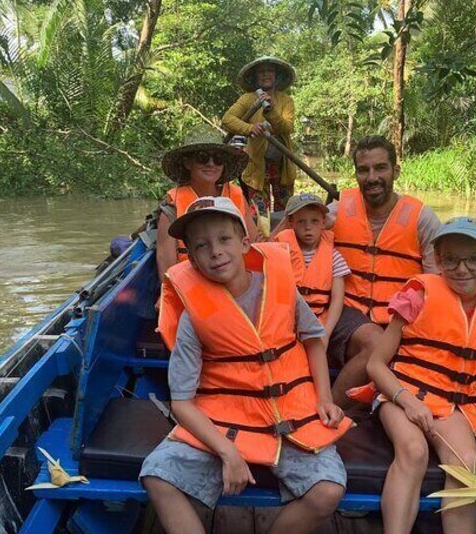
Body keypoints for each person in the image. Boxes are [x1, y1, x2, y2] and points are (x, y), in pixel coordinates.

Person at [144, 196, 354, 533]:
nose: (215, 251)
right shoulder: (193, 315)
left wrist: (324, 398)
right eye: (202, 246)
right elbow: (181, 402)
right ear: (192, 259)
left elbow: (314, 341)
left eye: (224, 239)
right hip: (225, 421)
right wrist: (227, 452)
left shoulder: (280, 288)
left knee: (328, 490)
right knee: (158, 475)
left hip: (292, 416)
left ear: (244, 244)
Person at [350, 216, 476, 533]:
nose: (462, 269)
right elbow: (376, 364)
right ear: (438, 260)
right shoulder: (418, 294)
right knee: (413, 451)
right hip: (401, 395)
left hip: (454, 406)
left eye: (473, 259)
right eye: (451, 259)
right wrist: (407, 400)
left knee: (466, 463)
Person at [326, 135, 442, 406]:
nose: (371, 178)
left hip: (399, 319)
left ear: (395, 171)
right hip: (346, 312)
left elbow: (438, 283)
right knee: (377, 343)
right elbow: (293, 237)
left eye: (380, 168)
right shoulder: (336, 211)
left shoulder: (422, 218)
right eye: (363, 170)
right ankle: (329, 410)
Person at [156, 143, 260, 283]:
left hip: (236, 277)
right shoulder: (172, 205)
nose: (211, 164)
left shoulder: (236, 194)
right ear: (188, 163)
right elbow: (166, 264)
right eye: (202, 157)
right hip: (193, 282)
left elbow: (254, 242)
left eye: (218, 158)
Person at [222, 56, 297, 214]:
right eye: (261, 72)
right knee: (260, 214)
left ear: (276, 75)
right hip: (256, 166)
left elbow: (287, 127)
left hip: (282, 165)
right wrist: (249, 128)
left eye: (270, 71)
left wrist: (270, 111)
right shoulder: (248, 99)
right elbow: (227, 120)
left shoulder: (286, 101)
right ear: (255, 77)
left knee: (285, 213)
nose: (266, 74)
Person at [274, 194, 350, 345]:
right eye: (301, 221)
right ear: (291, 223)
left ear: (323, 223)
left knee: (317, 352)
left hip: (318, 323)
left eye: (314, 221)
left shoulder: (334, 257)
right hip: (286, 323)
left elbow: (337, 299)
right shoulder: (281, 253)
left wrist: (326, 334)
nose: (308, 227)